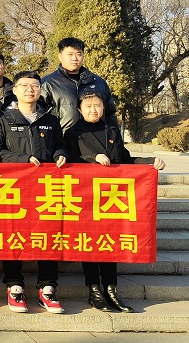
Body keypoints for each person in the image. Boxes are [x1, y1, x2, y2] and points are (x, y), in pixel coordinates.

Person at [66, 91, 166, 313]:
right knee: (90, 243)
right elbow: (68, 161)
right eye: (88, 106)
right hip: (86, 198)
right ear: (80, 110)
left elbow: (126, 159)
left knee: (109, 242)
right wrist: (92, 159)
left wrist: (151, 161)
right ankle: (94, 290)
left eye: (97, 105)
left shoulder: (111, 129)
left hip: (111, 199)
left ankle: (111, 289)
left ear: (104, 108)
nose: (93, 110)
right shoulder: (73, 132)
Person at [0, 71, 68, 314]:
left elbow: (60, 145)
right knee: (13, 235)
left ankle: (47, 287)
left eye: (35, 85)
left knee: (48, 234)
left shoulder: (51, 119)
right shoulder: (4, 119)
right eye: (24, 86)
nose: (30, 90)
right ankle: (14, 286)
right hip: (14, 187)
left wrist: (60, 154)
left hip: (46, 188)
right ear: (14, 90)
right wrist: (23, 159)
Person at [40, 37, 117, 132]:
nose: (74, 58)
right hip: (63, 138)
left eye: (78, 54)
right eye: (70, 54)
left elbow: (110, 113)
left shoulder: (98, 82)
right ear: (60, 56)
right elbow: (39, 114)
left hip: (97, 138)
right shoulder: (48, 83)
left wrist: (113, 136)